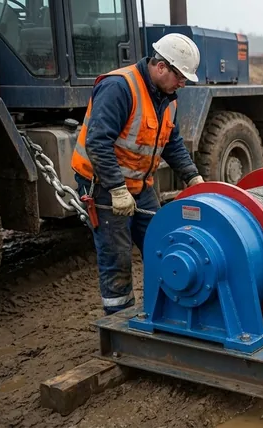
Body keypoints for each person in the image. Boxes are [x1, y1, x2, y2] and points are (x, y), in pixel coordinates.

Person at [70, 33, 205, 315]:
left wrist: (193, 178)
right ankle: (119, 322)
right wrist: (117, 189)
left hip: (140, 185)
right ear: (161, 67)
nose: (182, 83)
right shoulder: (119, 87)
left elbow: (172, 142)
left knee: (163, 242)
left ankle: (166, 310)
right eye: (180, 76)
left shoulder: (168, 98)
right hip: (104, 185)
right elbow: (97, 142)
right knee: (117, 257)